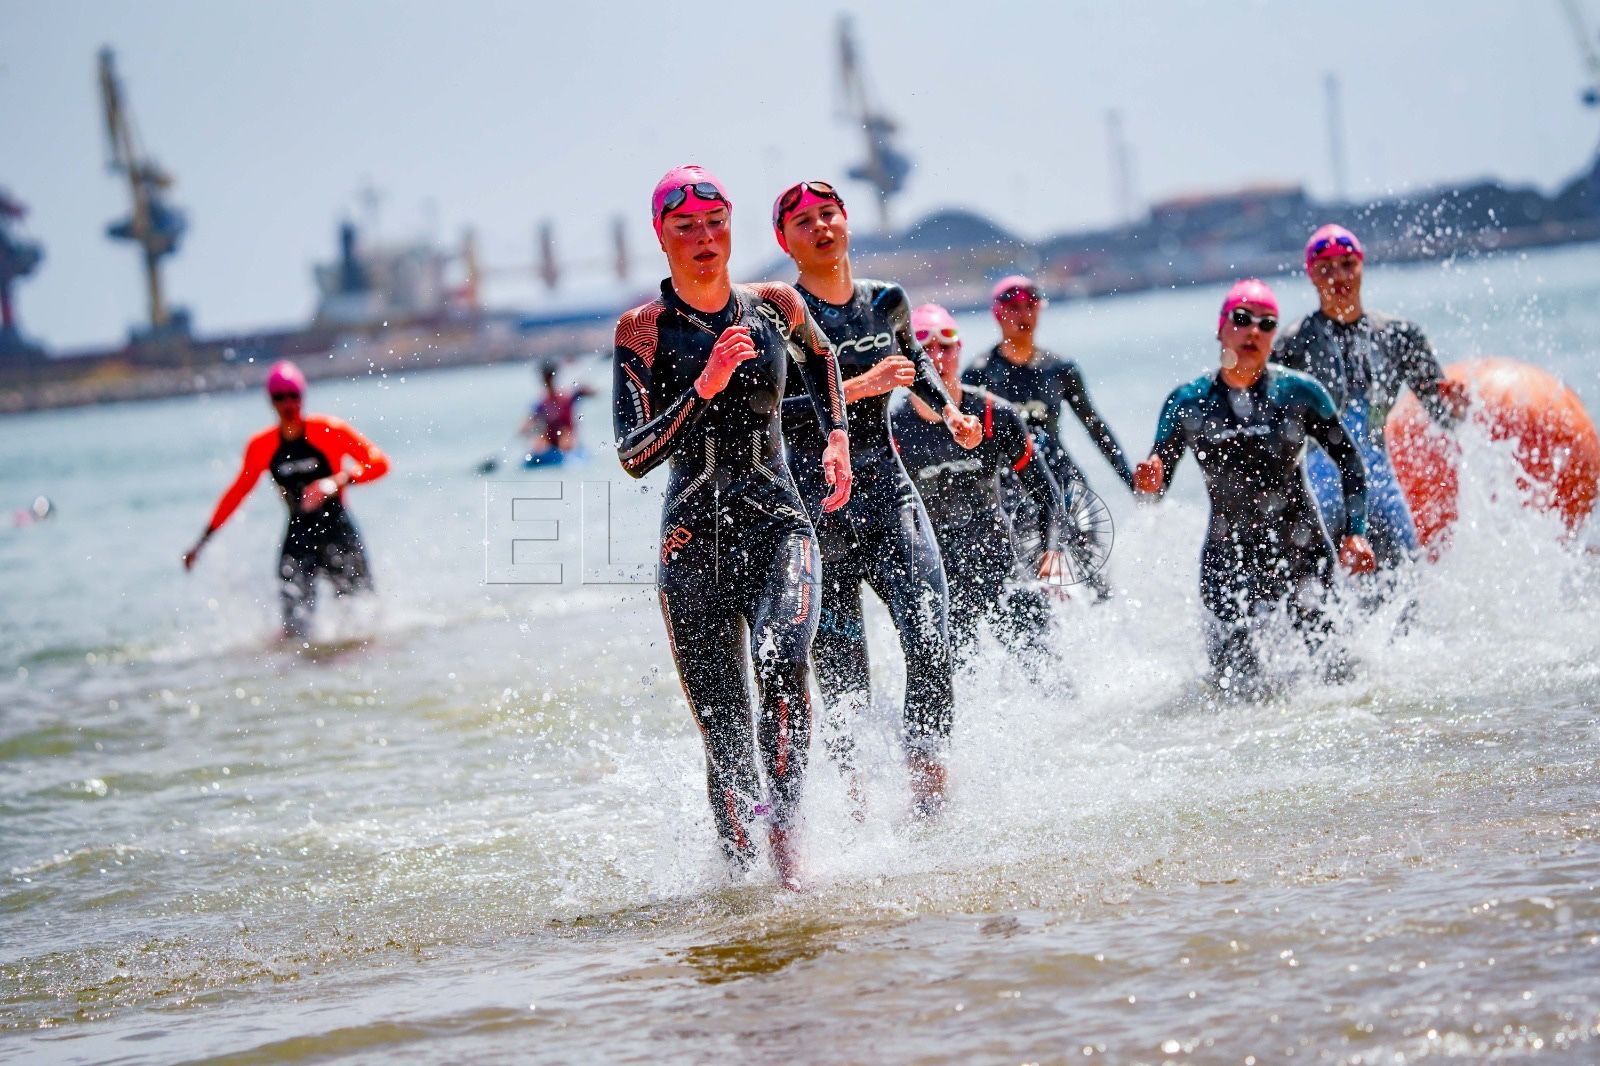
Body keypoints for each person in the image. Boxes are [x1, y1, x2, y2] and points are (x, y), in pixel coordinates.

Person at [613, 165, 852, 890]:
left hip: (779, 524)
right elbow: (633, 456)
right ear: (661, 236)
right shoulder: (641, 331)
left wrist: (836, 436)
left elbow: (823, 358)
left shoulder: (775, 304)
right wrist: (704, 387)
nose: (704, 238)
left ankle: (789, 854)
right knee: (724, 733)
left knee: (783, 663)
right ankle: (740, 889)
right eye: (685, 227)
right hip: (692, 545)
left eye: (715, 224)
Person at [772, 179, 981, 818]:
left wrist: (950, 413)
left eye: (828, 214)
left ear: (847, 221)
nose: (820, 227)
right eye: (804, 221)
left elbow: (914, 362)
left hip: (890, 494)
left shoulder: (886, 300)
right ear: (785, 240)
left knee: (931, 637)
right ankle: (858, 807)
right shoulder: (780, 316)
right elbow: (773, 412)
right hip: (820, 508)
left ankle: (928, 790)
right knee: (844, 677)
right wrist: (861, 386)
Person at [1133, 280, 1376, 699]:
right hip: (1228, 555)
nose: (1253, 331)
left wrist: (1355, 531)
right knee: (1232, 690)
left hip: (1301, 550)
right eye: (1242, 319)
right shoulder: (1188, 402)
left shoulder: (1299, 393)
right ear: (1221, 328)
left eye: (1266, 324)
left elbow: (1349, 460)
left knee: (1336, 674)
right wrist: (1150, 480)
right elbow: (1157, 483)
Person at [1273, 224, 1468, 572]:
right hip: (1321, 489)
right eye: (1326, 269)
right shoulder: (1292, 345)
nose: (1339, 276)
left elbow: (1445, 418)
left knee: (1410, 585)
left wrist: (1456, 407)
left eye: (1347, 264)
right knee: (1316, 594)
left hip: (1381, 487)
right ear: (1311, 276)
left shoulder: (1399, 337)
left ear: (1362, 265)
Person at [890, 302, 1068, 664]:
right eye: (925, 348)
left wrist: (1051, 551)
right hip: (939, 575)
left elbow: (1045, 490)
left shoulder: (995, 414)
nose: (937, 357)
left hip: (1000, 560)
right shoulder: (892, 429)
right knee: (951, 677)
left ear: (960, 349)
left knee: (1047, 671)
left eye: (946, 346)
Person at [184, 361, 390, 640]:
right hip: (299, 536)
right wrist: (202, 542)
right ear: (271, 402)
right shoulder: (262, 445)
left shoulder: (327, 430)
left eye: (294, 396)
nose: (288, 404)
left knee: (363, 615)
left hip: (337, 530)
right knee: (293, 629)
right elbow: (236, 494)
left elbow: (379, 463)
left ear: (302, 397)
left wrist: (338, 480)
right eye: (280, 397)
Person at [961, 274, 1133, 599]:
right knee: (1028, 578)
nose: (1023, 314)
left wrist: (1131, 481)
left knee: (1091, 563)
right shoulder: (979, 373)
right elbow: (966, 443)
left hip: (1061, 475)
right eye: (1013, 307)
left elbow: (1095, 427)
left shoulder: (1060, 368)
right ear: (997, 313)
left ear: (1040, 309)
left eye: (1030, 306)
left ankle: (1105, 617)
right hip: (1011, 484)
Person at [520, 361, 594, 459]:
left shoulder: (567, 398)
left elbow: (593, 393)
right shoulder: (541, 404)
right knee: (539, 444)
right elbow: (526, 425)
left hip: (566, 438)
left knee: (565, 438)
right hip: (549, 439)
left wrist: (583, 390)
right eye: (546, 378)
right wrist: (525, 428)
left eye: (549, 377)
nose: (548, 380)